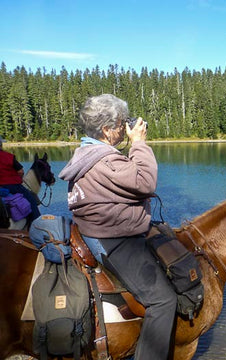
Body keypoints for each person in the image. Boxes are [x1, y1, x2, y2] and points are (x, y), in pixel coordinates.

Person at [59, 94, 177, 360]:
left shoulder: (86, 154)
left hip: (93, 230)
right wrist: (138, 142)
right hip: (114, 240)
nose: (125, 128)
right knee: (163, 301)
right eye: (121, 124)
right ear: (107, 130)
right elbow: (145, 182)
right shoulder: (107, 161)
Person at [0, 135, 41, 223]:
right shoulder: (8, 156)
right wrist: (19, 179)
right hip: (12, 186)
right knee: (32, 201)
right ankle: (36, 224)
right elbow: (20, 171)